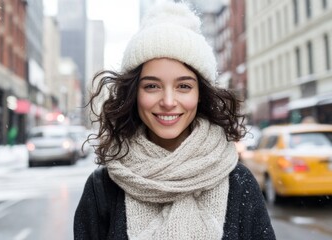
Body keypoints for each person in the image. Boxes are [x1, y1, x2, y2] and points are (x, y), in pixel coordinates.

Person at [74, 2, 276, 240]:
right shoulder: (103, 188)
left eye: (183, 86)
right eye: (152, 86)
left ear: (201, 94)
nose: (168, 101)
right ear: (133, 94)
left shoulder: (239, 183)